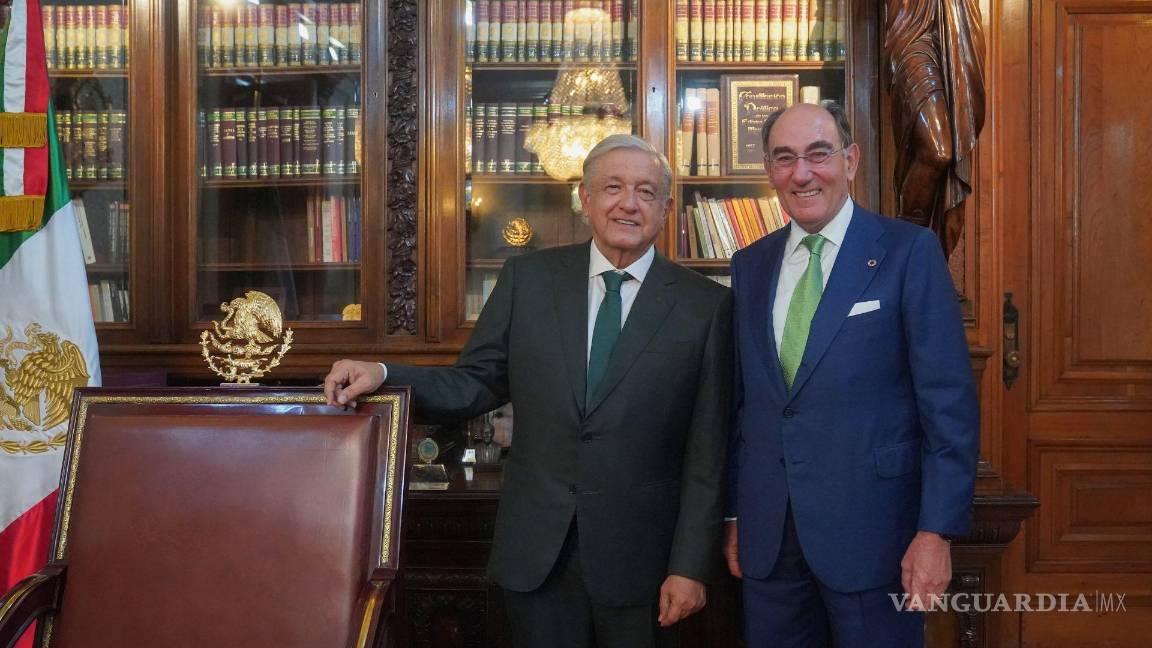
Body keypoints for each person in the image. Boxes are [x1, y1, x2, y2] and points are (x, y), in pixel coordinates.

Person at [324, 134, 732, 648]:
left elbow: (708, 453)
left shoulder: (705, 306)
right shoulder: (529, 279)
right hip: (538, 557)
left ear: (667, 209)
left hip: (645, 565)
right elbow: (474, 383)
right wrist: (383, 373)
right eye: (612, 188)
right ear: (585, 198)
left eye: (646, 192)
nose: (628, 203)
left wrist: (690, 566)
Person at [723, 102, 979, 647]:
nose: (802, 173)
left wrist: (936, 531)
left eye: (819, 154)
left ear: (851, 160)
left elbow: (948, 405)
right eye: (784, 158)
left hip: (877, 538)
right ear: (769, 171)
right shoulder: (750, 264)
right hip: (770, 542)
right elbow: (743, 404)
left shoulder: (908, 252)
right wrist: (735, 515)